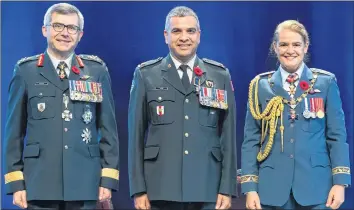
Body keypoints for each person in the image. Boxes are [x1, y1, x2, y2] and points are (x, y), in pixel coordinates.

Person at [3, 3, 120, 209]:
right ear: (45, 29)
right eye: (58, 26)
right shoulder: (25, 72)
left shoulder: (96, 71)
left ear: (80, 34)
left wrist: (107, 179)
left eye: (72, 28)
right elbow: (13, 134)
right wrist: (16, 183)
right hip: (39, 183)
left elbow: (108, 130)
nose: (65, 33)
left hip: (86, 182)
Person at [128, 6, 237, 210]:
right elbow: (135, 137)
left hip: (208, 185)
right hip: (160, 187)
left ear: (199, 36)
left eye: (190, 31)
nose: (184, 37)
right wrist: (138, 189)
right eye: (177, 31)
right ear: (166, 36)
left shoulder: (219, 75)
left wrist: (227, 188)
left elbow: (228, 137)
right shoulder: (146, 74)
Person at [241, 20, 351, 209]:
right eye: (283, 44)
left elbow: (337, 137)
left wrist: (340, 182)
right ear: (275, 47)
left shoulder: (325, 83)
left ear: (305, 47)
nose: (289, 50)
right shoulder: (260, 86)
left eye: (296, 44)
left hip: (317, 188)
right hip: (271, 189)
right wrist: (250, 187)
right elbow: (251, 140)